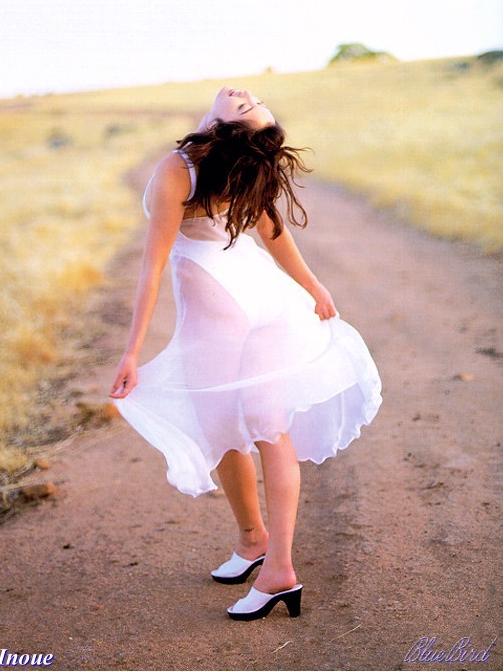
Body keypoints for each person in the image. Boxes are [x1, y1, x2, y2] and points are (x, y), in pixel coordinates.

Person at [110, 86, 382, 621]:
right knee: (267, 428)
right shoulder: (239, 163)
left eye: (246, 105)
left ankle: (264, 549)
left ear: (225, 129)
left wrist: (132, 351)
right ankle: (265, 553)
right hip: (265, 297)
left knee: (224, 426)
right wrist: (311, 287)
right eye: (249, 99)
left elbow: (152, 266)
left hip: (219, 302)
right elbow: (273, 233)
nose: (242, 93)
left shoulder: (178, 169)